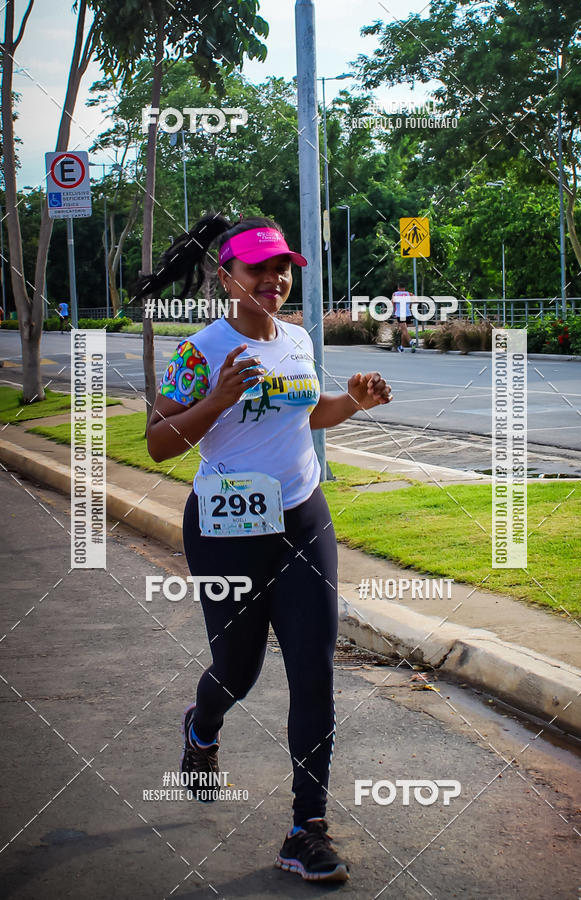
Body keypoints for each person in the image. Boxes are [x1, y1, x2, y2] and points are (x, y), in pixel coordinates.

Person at [144, 214, 393, 883]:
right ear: (226, 276)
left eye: (283, 268)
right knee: (239, 668)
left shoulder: (298, 339)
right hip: (227, 529)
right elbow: (160, 441)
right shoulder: (202, 350)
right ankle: (202, 724)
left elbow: (306, 415)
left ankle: (305, 828)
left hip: (303, 519)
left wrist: (352, 401)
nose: (275, 279)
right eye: (259, 268)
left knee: (313, 669)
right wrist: (217, 399)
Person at [391, 282, 416, 352]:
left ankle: (411, 343)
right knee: (404, 331)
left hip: (400, 314)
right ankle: (401, 347)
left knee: (404, 331)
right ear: (404, 288)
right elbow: (415, 300)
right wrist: (409, 304)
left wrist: (394, 312)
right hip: (408, 314)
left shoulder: (395, 294)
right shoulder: (409, 294)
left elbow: (392, 303)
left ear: (398, 288)